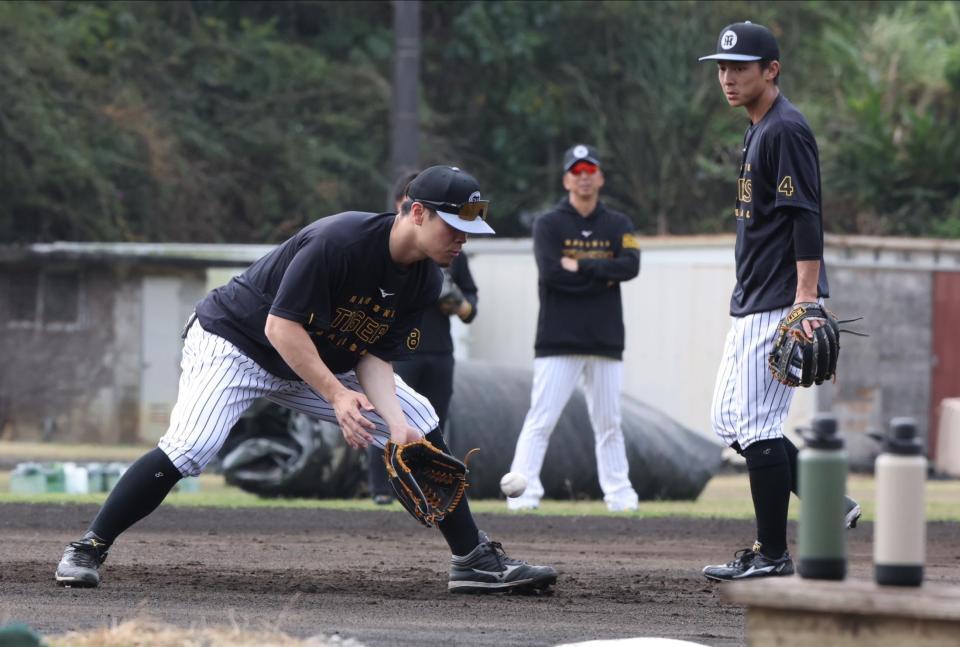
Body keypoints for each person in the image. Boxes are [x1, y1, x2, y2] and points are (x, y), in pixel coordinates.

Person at [55, 165, 557, 594]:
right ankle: (88, 548)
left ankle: (472, 561)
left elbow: (373, 356)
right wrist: (337, 396)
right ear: (417, 212)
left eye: (468, 229)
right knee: (193, 446)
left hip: (318, 354)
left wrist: (398, 426)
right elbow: (280, 326)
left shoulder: (425, 278)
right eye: (453, 225)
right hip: (237, 343)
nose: (461, 239)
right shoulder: (339, 241)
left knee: (420, 419)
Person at [697, 22, 861, 581]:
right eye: (722, 67)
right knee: (730, 421)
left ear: (772, 70)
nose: (728, 77)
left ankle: (771, 555)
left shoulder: (785, 128)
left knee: (757, 425)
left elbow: (805, 216)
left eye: (741, 67)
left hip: (779, 298)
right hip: (756, 296)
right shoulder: (759, 127)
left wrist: (806, 300)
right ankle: (824, 501)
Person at [506, 145, 641, 513]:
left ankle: (620, 496)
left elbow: (629, 267)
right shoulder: (548, 224)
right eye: (576, 170)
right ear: (567, 178)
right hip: (557, 340)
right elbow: (551, 273)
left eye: (590, 170)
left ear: (599, 177)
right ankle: (523, 493)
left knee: (609, 422)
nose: (583, 176)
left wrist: (580, 269)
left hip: (605, 340)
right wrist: (603, 275)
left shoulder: (619, 224)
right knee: (542, 418)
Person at [367, 173, 479, 505]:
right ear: (409, 210)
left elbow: (470, 310)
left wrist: (456, 302)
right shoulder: (384, 252)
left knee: (432, 422)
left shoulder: (451, 255)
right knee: (387, 418)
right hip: (398, 352)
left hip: (439, 349)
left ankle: (426, 489)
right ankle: (382, 491)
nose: (459, 237)